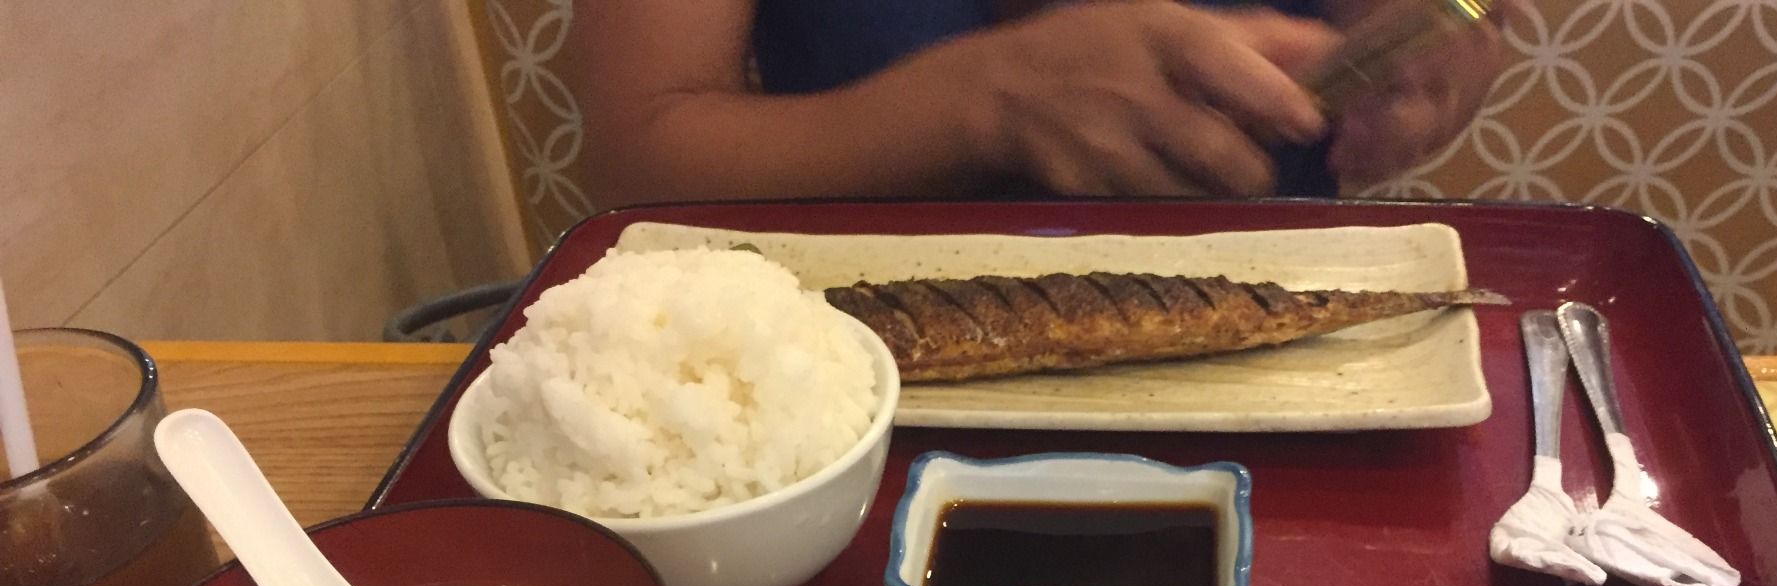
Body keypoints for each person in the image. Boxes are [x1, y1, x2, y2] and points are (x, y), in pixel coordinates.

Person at [572, 0, 1510, 208]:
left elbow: (1424, 22)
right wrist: (986, 97)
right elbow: (640, 152)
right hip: (852, 396)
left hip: (1287, 352)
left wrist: (1434, 54)